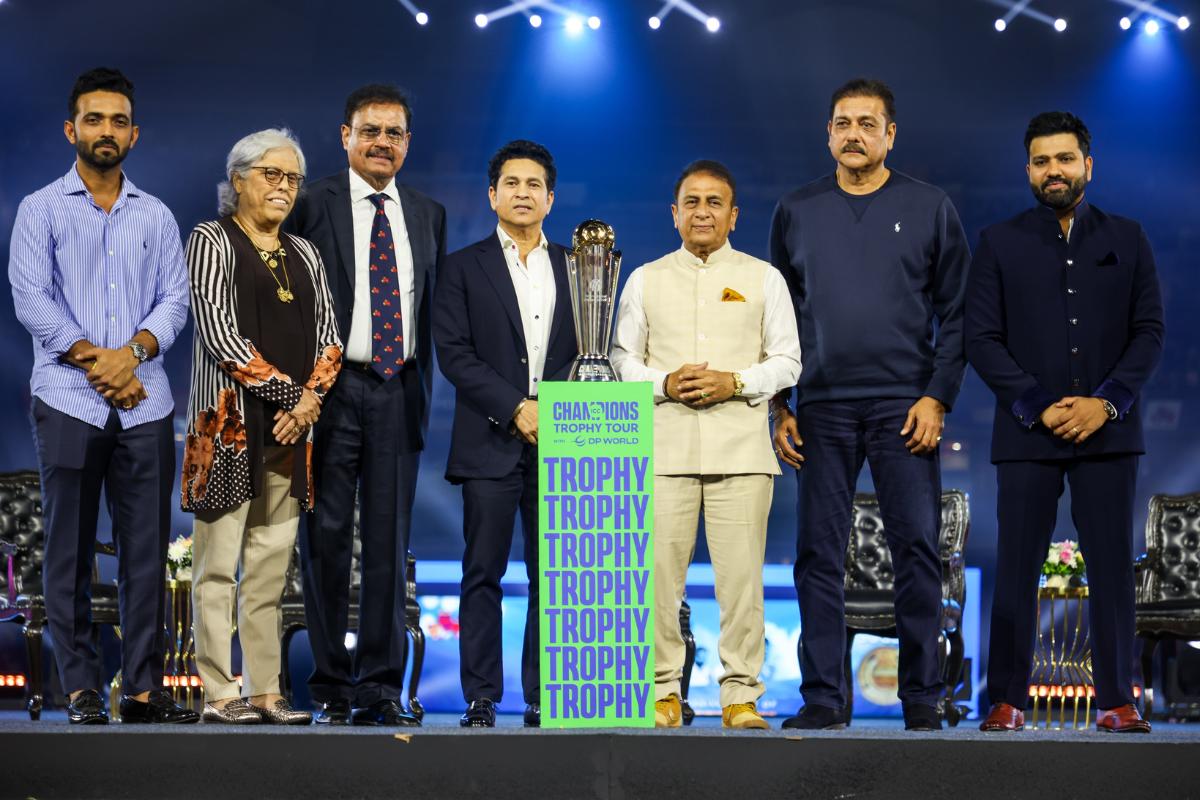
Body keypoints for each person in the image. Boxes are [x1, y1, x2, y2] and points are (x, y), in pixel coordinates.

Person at [769, 78, 970, 731]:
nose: (853, 134)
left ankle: (921, 698)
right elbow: (777, 320)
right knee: (817, 555)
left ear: (890, 135)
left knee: (917, 549)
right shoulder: (795, 211)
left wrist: (937, 395)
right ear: (828, 134)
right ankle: (825, 699)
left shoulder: (929, 205)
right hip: (821, 406)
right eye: (842, 123)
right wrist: (779, 406)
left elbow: (959, 313)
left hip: (903, 406)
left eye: (867, 123)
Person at [7, 67, 196, 725]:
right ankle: (83, 687)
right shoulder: (41, 209)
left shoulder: (156, 214)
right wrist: (100, 361)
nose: (106, 131)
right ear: (72, 129)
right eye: (95, 119)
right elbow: (31, 297)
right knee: (71, 547)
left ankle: (142, 688)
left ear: (134, 133)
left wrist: (134, 354)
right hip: (67, 395)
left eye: (118, 121)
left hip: (146, 401)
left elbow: (177, 299)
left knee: (146, 551)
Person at [967, 111, 1164, 734]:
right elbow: (982, 338)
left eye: (1065, 159)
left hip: (1109, 433)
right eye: (1042, 161)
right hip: (1027, 433)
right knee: (1017, 568)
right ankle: (1006, 700)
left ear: (1088, 165)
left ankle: (1115, 699)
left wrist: (1104, 403)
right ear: (1028, 170)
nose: (1054, 170)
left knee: (1111, 568)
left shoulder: (1128, 239)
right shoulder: (999, 241)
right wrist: (1037, 403)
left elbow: (1149, 333)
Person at [612, 160, 801, 729]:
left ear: (733, 216)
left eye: (714, 202)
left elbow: (789, 360)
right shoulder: (643, 278)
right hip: (662, 451)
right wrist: (664, 384)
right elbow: (620, 359)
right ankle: (662, 692)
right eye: (691, 202)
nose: (702, 212)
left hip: (741, 453)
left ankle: (740, 696)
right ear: (674, 215)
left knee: (741, 587)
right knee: (655, 585)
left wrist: (735, 382)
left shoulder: (764, 277)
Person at [285, 85, 446, 726]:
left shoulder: (427, 213)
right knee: (324, 539)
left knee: (389, 543)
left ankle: (380, 687)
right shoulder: (309, 202)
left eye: (395, 133)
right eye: (370, 130)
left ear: (408, 142)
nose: (382, 142)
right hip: (327, 392)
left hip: (397, 388)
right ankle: (332, 684)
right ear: (345, 135)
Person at [182, 128, 342, 725]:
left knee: (270, 572)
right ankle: (221, 692)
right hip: (228, 431)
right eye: (271, 175)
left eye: (292, 178)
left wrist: (309, 403)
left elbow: (331, 337)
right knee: (218, 568)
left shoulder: (304, 253)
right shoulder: (211, 238)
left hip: (289, 437)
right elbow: (220, 334)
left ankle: (267, 690)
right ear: (239, 179)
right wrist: (291, 395)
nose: (282, 187)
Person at [433, 140, 576, 728]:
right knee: (482, 573)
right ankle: (482, 697)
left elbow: (594, 352)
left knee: (553, 576)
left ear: (551, 197)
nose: (523, 193)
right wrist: (517, 407)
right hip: (490, 438)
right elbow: (455, 355)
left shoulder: (579, 265)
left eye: (534, 184)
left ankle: (544, 695)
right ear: (492, 195)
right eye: (511, 183)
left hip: (563, 440)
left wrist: (556, 409)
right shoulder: (463, 266)